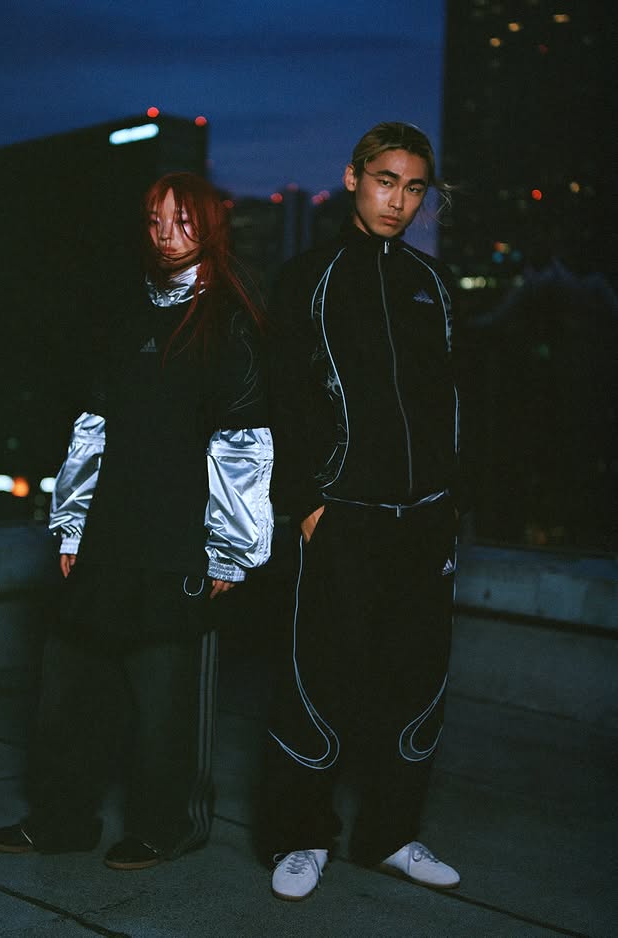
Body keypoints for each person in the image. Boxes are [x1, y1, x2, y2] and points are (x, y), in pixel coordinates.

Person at [0, 171, 273, 870]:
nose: (167, 234)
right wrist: (73, 525)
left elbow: (242, 442)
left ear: (211, 226)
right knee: (69, 688)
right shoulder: (124, 309)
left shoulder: (229, 319)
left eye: (183, 220)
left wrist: (231, 550)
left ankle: (169, 825)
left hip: (179, 543)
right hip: (109, 535)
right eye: (154, 220)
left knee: (165, 700)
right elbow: (93, 425)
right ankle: (60, 820)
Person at [261, 122, 463, 900]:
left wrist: (453, 505)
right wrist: (306, 503)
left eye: (414, 188)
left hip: (425, 523)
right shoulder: (308, 277)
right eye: (385, 181)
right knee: (319, 682)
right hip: (341, 517)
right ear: (352, 178)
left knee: (413, 684)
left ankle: (391, 836)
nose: (398, 201)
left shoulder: (433, 283)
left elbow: (454, 401)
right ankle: (300, 836)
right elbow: (283, 396)